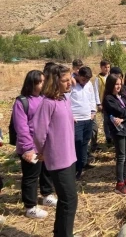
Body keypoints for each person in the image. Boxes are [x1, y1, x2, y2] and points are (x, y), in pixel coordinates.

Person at [31, 64, 77, 237]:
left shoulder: (64, 99)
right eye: (65, 80)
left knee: (66, 201)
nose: (69, 83)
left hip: (70, 156)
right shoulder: (47, 103)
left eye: (69, 79)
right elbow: (38, 131)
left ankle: (60, 233)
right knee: (70, 200)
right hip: (58, 159)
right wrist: (41, 150)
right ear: (55, 82)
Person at [13, 70, 57, 219]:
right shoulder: (22, 102)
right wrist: (28, 148)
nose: (44, 84)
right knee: (31, 176)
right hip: (30, 146)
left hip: (44, 145)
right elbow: (21, 127)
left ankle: (46, 194)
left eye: (44, 81)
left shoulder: (45, 99)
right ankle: (30, 206)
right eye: (40, 82)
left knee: (46, 171)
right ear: (31, 83)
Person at [102, 74, 126, 195]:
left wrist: (123, 118)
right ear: (111, 85)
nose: (119, 86)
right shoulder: (109, 99)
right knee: (121, 157)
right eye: (116, 84)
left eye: (120, 84)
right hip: (118, 131)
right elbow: (121, 111)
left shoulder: (123, 96)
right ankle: (119, 184)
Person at [70, 66, 96, 179]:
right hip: (76, 119)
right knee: (77, 142)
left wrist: (93, 111)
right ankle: (76, 168)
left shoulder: (89, 84)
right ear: (79, 75)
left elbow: (92, 98)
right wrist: (70, 115)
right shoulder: (71, 84)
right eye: (84, 79)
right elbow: (66, 100)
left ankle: (83, 163)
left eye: (87, 79)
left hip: (88, 117)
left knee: (85, 141)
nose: (85, 81)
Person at [93, 60, 111, 147]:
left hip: (111, 102)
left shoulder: (111, 76)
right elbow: (96, 91)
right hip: (103, 102)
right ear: (101, 68)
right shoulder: (98, 78)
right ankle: (108, 137)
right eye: (105, 67)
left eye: (108, 67)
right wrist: (98, 103)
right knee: (106, 120)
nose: (107, 69)